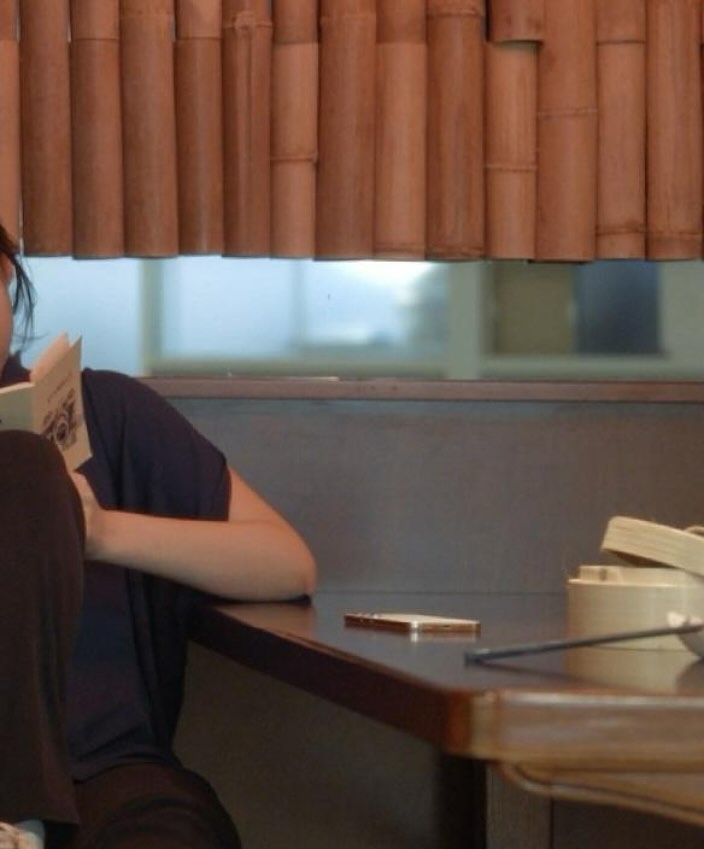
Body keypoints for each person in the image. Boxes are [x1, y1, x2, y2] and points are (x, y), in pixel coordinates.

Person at [0, 223, 316, 849]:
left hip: (106, 780)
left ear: (7, 280)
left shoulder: (103, 413)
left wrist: (99, 530)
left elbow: (286, 564)